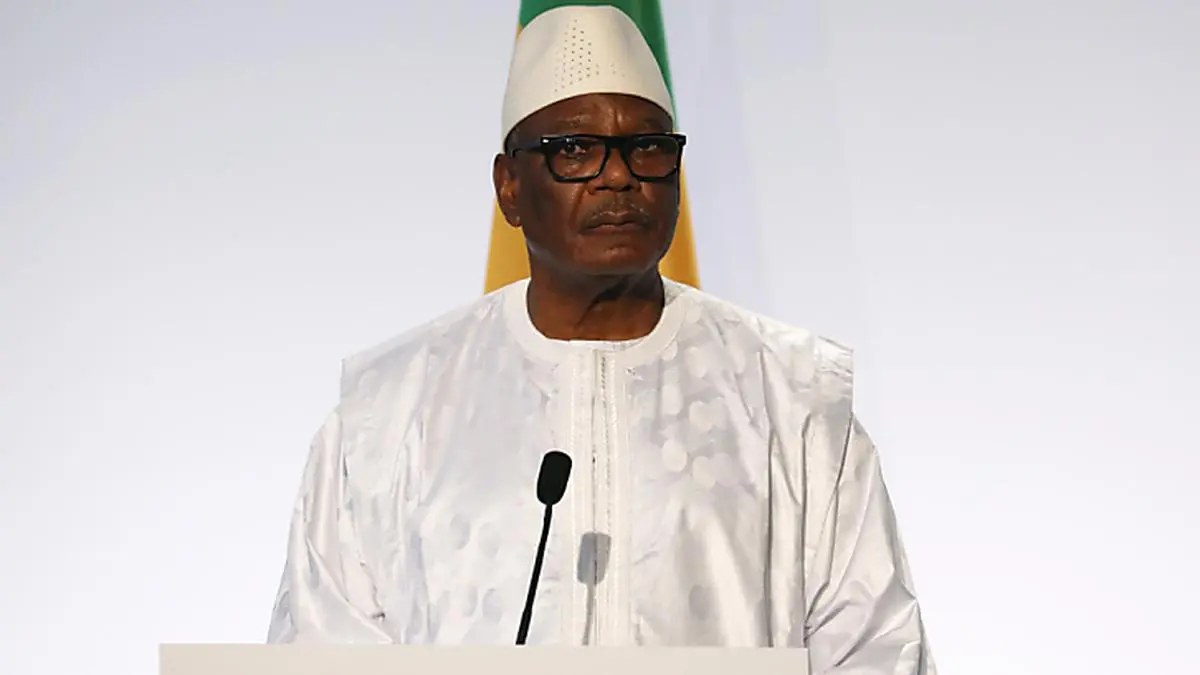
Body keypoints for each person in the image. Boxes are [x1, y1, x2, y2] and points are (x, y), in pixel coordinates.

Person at [267, 4, 937, 673]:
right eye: (574, 150)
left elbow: (875, 649)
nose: (618, 176)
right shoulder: (389, 414)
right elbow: (323, 652)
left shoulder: (791, 399)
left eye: (647, 148)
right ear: (509, 186)